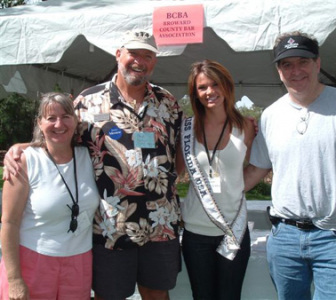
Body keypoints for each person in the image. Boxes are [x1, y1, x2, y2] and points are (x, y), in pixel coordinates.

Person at [3, 30, 182, 300]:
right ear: (118, 55)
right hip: (111, 229)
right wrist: (24, 147)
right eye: (133, 53)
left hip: (161, 225)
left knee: (157, 294)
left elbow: (181, 149)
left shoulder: (168, 103)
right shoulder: (87, 102)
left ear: (154, 61)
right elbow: (59, 134)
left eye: (148, 55)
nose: (140, 61)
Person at [244, 31, 336, 300]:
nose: (295, 70)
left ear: (318, 63)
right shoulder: (270, 115)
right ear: (278, 70)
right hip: (283, 239)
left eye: (303, 61)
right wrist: (211, 188)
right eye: (287, 64)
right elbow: (255, 172)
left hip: (335, 238)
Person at [0, 92, 99, 300]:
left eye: (65, 116)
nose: (58, 124)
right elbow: (9, 222)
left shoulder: (90, 156)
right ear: (39, 123)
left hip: (79, 264)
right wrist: (15, 279)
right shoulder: (24, 162)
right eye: (51, 118)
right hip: (33, 263)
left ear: (75, 120)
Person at [176, 59, 255, 300]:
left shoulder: (246, 127)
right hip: (195, 232)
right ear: (195, 93)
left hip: (233, 230)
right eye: (202, 87)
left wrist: (236, 188)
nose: (210, 92)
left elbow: (255, 167)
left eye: (215, 84)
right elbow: (178, 172)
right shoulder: (186, 129)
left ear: (227, 86)